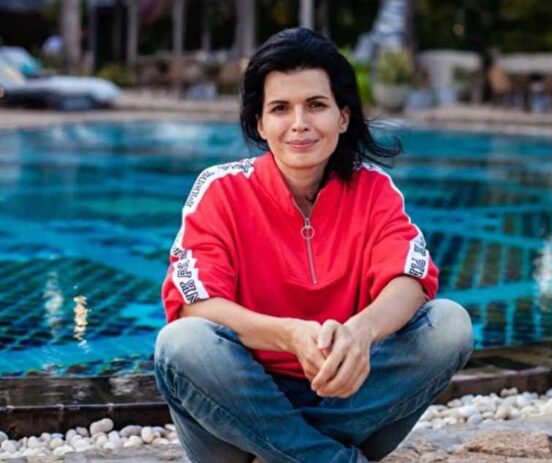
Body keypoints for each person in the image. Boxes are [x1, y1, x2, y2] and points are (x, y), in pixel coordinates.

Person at [154, 27, 473, 463]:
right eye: (280, 108)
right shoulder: (220, 190)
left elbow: (411, 279)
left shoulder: (374, 189)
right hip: (236, 405)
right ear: (260, 123)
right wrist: (290, 335)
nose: (299, 123)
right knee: (181, 343)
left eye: (316, 105)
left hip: (348, 400)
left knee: (450, 325)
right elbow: (195, 305)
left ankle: (289, 451)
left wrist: (360, 333)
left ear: (343, 117)